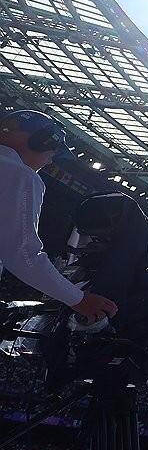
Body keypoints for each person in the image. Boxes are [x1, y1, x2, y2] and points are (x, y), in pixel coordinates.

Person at [0, 110, 117, 324]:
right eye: (51, 153)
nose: (49, 160)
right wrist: (78, 299)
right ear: (41, 141)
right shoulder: (21, 175)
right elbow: (23, 253)